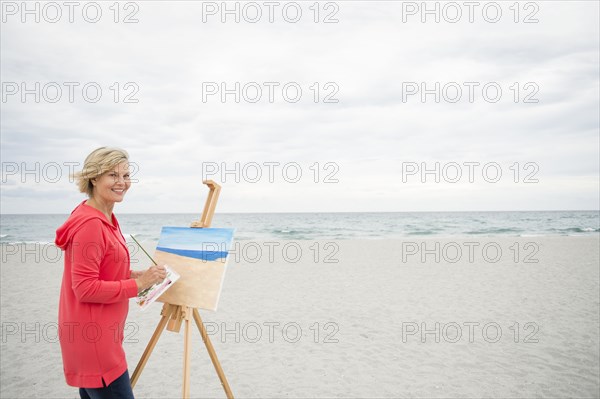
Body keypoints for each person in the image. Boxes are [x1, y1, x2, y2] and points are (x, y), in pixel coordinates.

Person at [55, 147, 166, 399]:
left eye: (126, 176)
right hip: (95, 341)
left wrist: (134, 274)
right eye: (113, 175)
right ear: (94, 178)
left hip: (99, 336)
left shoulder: (105, 217)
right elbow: (84, 287)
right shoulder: (91, 224)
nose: (122, 182)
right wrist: (138, 286)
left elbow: (102, 267)